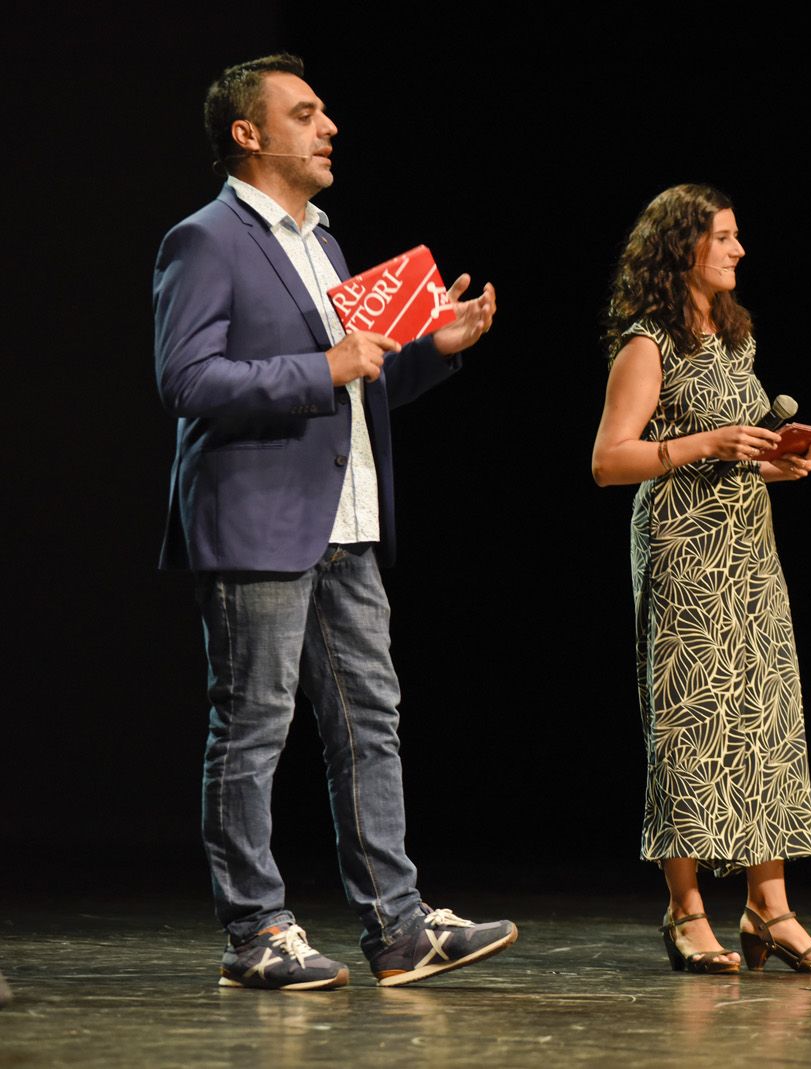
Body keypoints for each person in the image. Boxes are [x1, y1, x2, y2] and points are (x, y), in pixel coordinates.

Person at [154, 54, 516, 990]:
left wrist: (432, 350)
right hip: (259, 519)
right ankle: (256, 930)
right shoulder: (206, 239)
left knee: (371, 722)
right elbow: (188, 382)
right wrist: (327, 367)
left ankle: (398, 925)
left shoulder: (325, 241)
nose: (329, 129)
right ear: (249, 133)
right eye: (305, 114)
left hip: (346, 517)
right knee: (255, 727)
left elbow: (363, 376)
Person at [591, 184, 811, 974]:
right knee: (691, 726)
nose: (739, 250)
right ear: (684, 249)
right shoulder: (647, 344)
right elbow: (609, 460)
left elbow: (737, 453)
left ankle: (771, 909)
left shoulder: (737, 338)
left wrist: (779, 463)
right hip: (679, 553)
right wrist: (705, 443)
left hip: (747, 552)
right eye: (725, 237)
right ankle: (686, 906)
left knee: (764, 719)